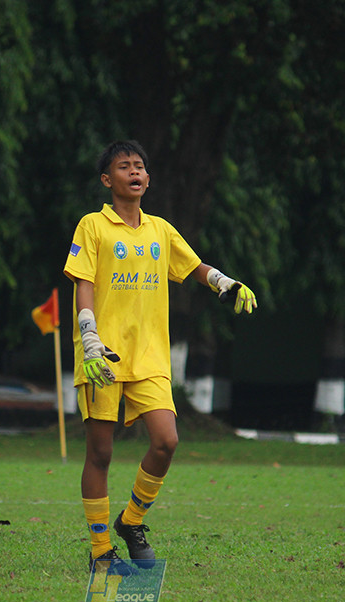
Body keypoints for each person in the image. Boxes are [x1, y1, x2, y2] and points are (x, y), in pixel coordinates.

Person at [63, 140, 257, 575]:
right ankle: (99, 552)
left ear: (148, 180)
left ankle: (131, 523)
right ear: (107, 180)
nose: (133, 172)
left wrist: (226, 283)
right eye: (123, 166)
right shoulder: (93, 226)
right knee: (100, 453)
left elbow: (194, 267)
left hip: (149, 356)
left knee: (166, 440)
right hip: (103, 355)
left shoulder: (160, 230)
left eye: (139, 167)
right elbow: (83, 281)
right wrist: (88, 335)